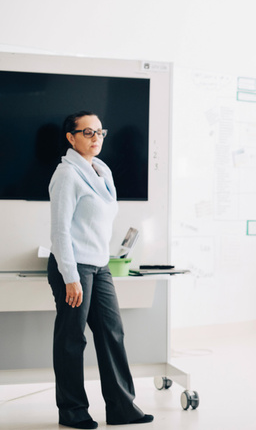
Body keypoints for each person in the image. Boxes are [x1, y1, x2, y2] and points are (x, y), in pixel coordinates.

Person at [48, 111, 153, 429]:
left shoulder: (101, 171)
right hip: (74, 266)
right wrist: (70, 277)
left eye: (100, 132)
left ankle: (122, 407)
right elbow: (60, 231)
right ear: (71, 138)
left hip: (100, 264)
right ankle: (73, 411)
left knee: (112, 332)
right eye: (88, 133)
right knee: (72, 338)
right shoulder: (66, 175)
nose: (96, 139)